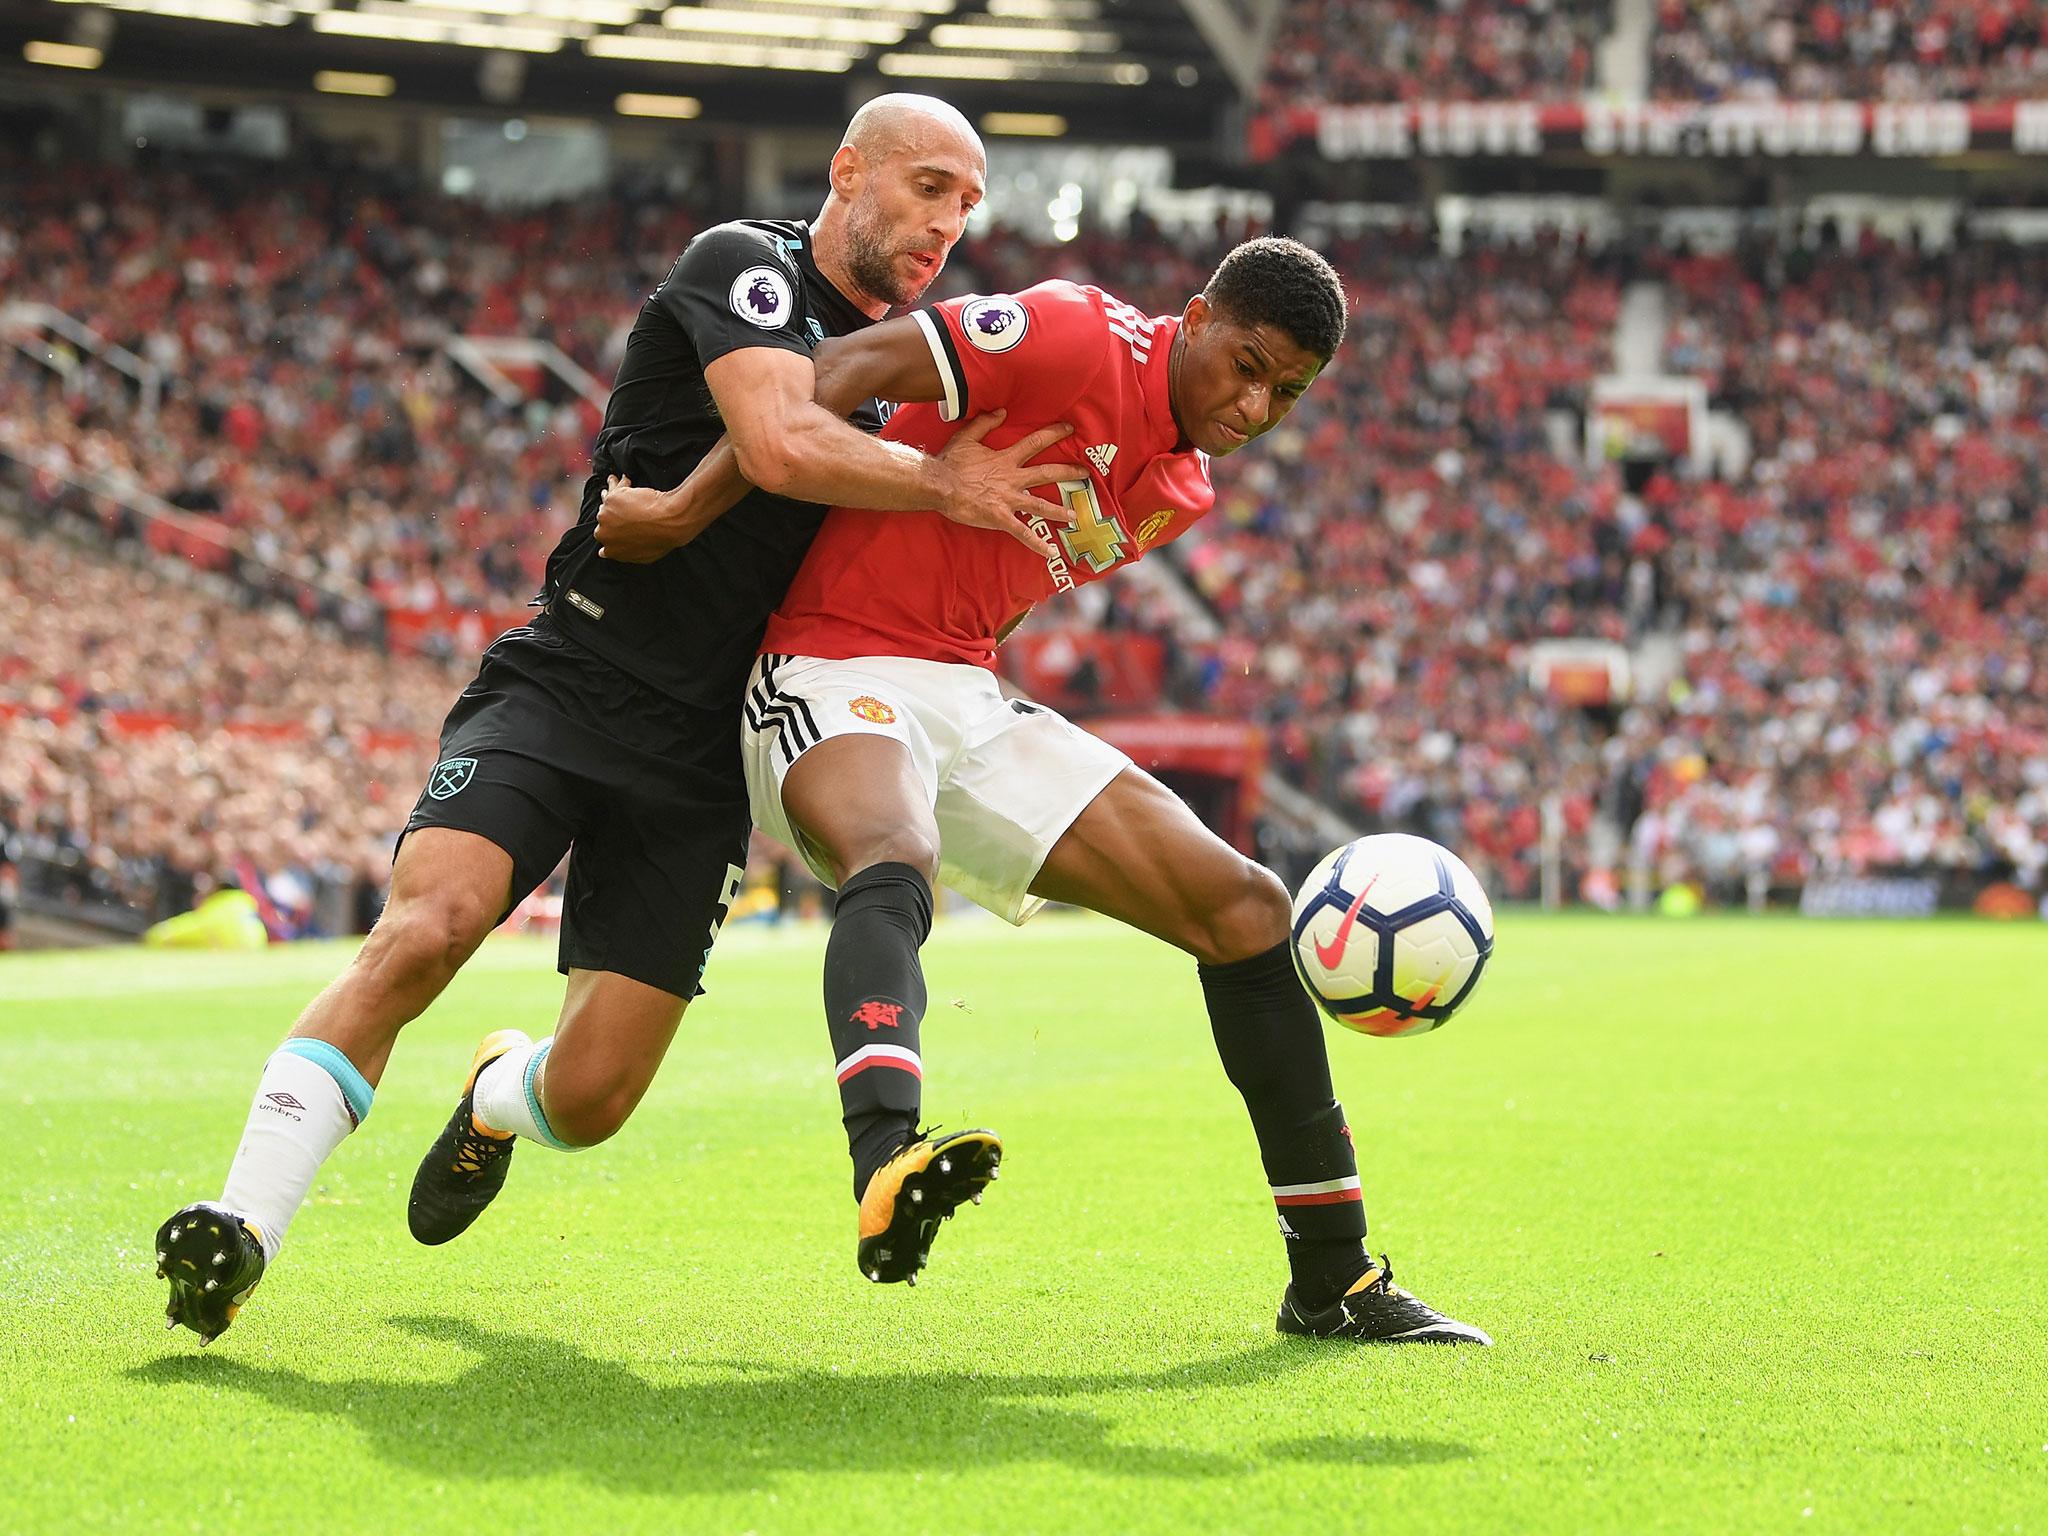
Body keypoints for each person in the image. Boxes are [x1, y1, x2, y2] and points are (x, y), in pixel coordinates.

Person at [152, 93, 1084, 1346]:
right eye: (926, 186)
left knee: (588, 1100)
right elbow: (774, 429)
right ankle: (241, 1227)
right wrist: (940, 483)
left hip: (709, 756)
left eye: (968, 204)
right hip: (572, 679)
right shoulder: (743, 265)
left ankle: (496, 1092)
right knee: (426, 929)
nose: (947, 222)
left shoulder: (914, 363)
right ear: (846, 171)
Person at [595, 237, 1491, 1343]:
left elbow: (1007, 580)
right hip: (827, 664)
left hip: (966, 695)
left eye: (1289, 393)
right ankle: (886, 1157)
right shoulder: (1072, 333)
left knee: (1248, 911)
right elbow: (834, 374)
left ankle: (1333, 1280)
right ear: (1196, 314)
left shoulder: (1182, 490)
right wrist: (689, 508)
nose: (1256, 407)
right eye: (1246, 365)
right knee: (892, 848)